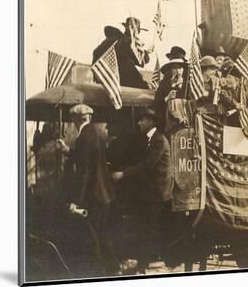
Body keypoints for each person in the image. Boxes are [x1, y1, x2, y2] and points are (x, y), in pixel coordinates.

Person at [57, 104, 116, 275]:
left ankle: (96, 274)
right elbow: (88, 159)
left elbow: (84, 172)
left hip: (94, 195)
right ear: (89, 117)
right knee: (102, 232)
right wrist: (67, 150)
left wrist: (76, 202)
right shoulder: (97, 133)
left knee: (92, 236)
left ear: (76, 120)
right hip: (105, 193)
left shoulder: (83, 137)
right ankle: (111, 269)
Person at [111, 108, 173, 272]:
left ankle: (144, 264)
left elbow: (147, 165)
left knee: (148, 228)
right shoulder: (150, 139)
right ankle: (142, 262)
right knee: (144, 227)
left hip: (156, 193)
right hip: (150, 191)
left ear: (150, 121)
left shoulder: (158, 139)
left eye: (141, 120)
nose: (138, 123)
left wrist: (123, 174)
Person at [93, 17, 153, 89]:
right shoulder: (127, 41)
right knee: (145, 87)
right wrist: (146, 53)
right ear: (132, 29)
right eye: (136, 30)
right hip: (122, 78)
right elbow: (141, 60)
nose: (136, 34)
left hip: (108, 77)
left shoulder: (115, 39)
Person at [153, 46, 188, 132]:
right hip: (167, 123)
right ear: (170, 69)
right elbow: (157, 103)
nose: (178, 70)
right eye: (175, 68)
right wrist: (167, 98)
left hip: (185, 122)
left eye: (180, 67)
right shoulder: (164, 84)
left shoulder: (188, 83)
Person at [219, 60, 248, 130]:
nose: (227, 80)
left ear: (237, 80)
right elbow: (226, 97)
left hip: (244, 120)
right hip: (229, 121)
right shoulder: (223, 89)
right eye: (226, 77)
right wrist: (236, 104)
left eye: (229, 77)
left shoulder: (242, 89)